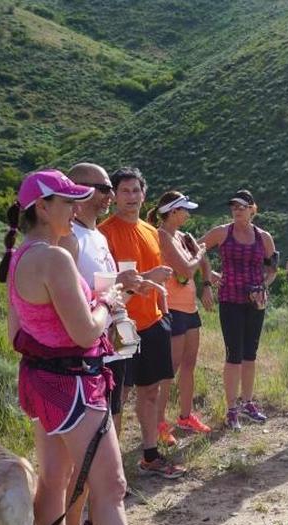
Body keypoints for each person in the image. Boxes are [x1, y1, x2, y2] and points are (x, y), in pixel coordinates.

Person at [0, 169, 196, 525]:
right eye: (67, 201)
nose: (77, 208)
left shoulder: (22, 256)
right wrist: (112, 297)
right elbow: (87, 330)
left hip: (43, 384)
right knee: (111, 490)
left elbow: (15, 335)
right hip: (76, 387)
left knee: (53, 481)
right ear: (43, 208)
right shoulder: (53, 259)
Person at [57, 162, 148, 525]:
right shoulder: (69, 239)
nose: (110, 194)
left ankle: (94, 522)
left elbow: (103, 287)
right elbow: (71, 298)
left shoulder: (94, 235)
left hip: (108, 348)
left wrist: (126, 289)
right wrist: (113, 295)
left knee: (105, 439)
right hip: (82, 355)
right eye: (103, 187)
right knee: (82, 451)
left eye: (111, 187)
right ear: (79, 191)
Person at [98, 167, 185, 479]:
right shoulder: (104, 233)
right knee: (116, 398)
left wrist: (161, 306)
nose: (131, 197)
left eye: (136, 191)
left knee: (150, 391)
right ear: (114, 195)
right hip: (119, 325)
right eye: (125, 191)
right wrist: (148, 279)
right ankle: (110, 466)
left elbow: (152, 275)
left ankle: (150, 455)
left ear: (144, 195)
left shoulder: (150, 231)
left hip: (152, 323)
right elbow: (105, 286)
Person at [197, 189, 278, 431]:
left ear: (253, 209)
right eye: (234, 206)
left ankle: (248, 403)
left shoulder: (264, 237)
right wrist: (208, 278)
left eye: (242, 206)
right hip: (230, 300)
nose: (237, 210)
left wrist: (262, 285)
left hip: (255, 303)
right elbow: (194, 249)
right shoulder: (223, 232)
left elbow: (272, 269)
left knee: (250, 354)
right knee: (234, 354)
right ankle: (231, 409)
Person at [150, 190, 214, 437]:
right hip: (172, 308)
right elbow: (188, 270)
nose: (188, 214)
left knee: (189, 363)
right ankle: (159, 424)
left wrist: (207, 282)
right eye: (184, 210)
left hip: (189, 308)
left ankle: (186, 417)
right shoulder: (162, 236)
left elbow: (203, 265)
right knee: (170, 368)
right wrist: (199, 254)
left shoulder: (182, 236)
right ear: (173, 212)